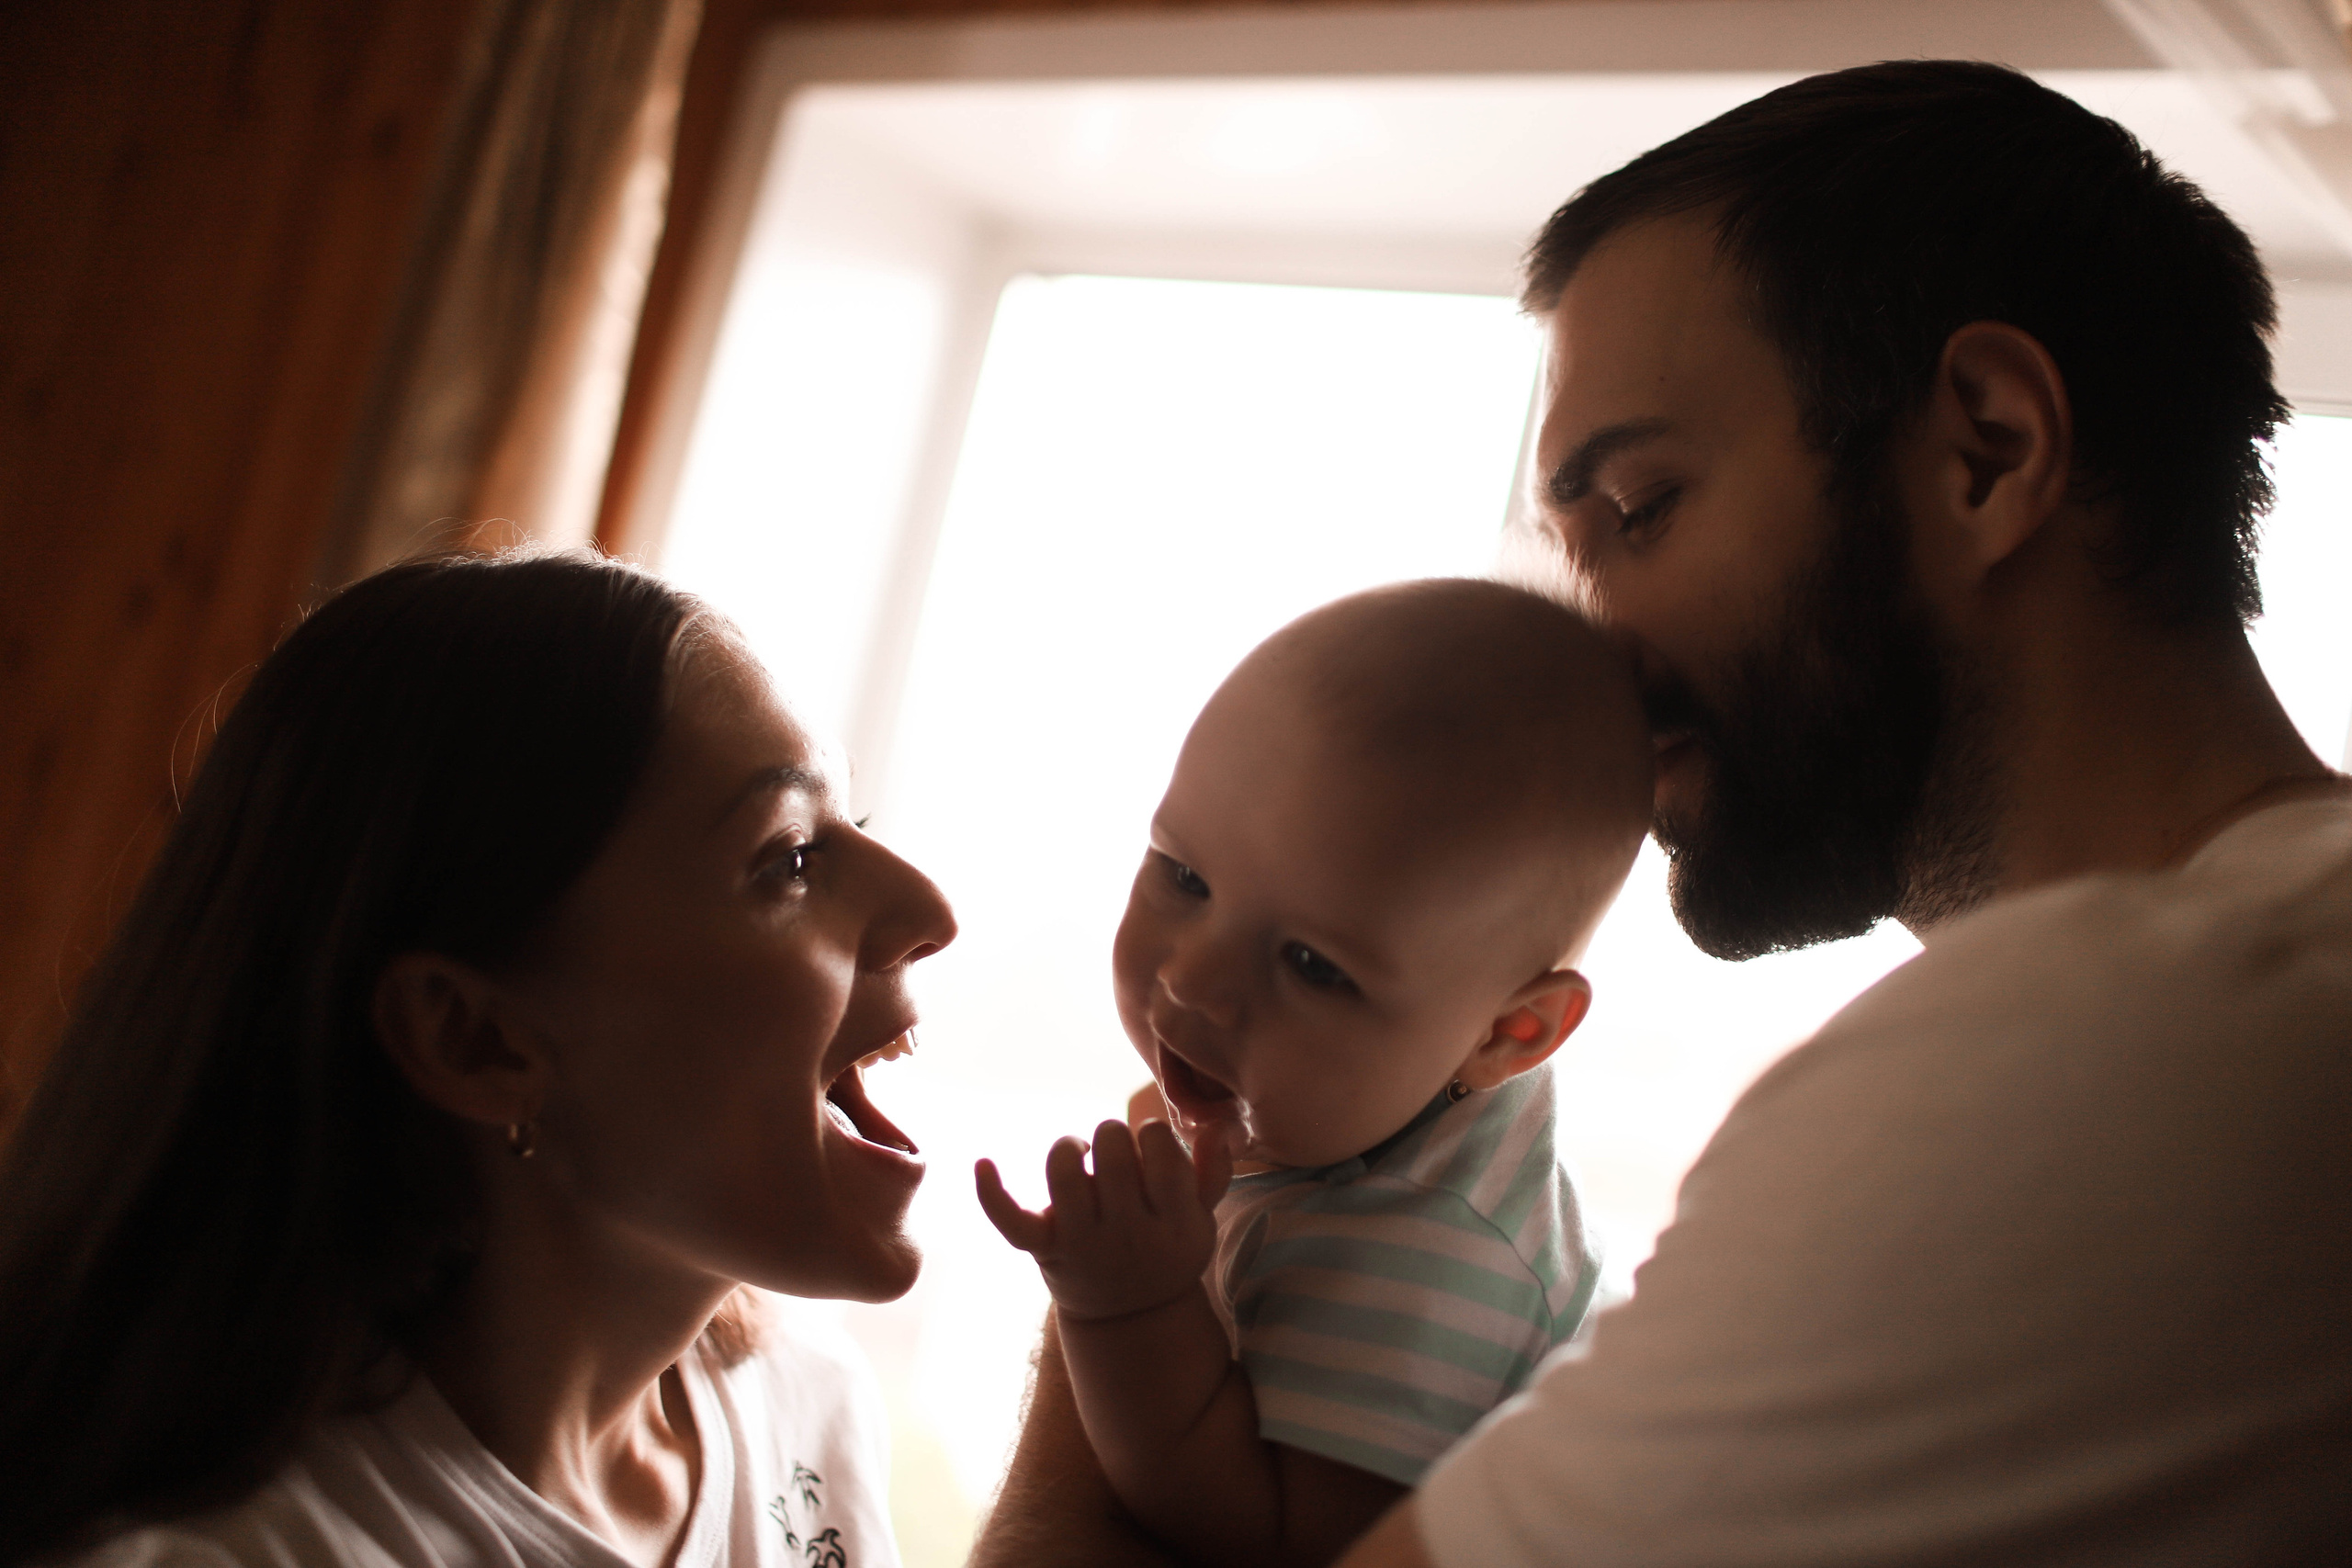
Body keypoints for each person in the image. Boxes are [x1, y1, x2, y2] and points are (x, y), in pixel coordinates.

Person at [975, 62, 2352, 1568]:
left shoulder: (2112, 1042)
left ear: (1988, 449)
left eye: (1638, 511)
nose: (1599, 656)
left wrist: (1117, 1293)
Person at [0, 549, 957, 1567]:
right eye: (789, 857)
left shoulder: (808, 1412)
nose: (929, 911)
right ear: (477, 1039)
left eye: (852, 824)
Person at [973, 581, 1650, 1567]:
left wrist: (1123, 1306)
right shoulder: (1375, 1107)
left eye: (1312, 966)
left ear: (1509, 1033)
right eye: (1184, 875)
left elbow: (1269, 1538)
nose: (1193, 981)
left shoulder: (1432, 1251)